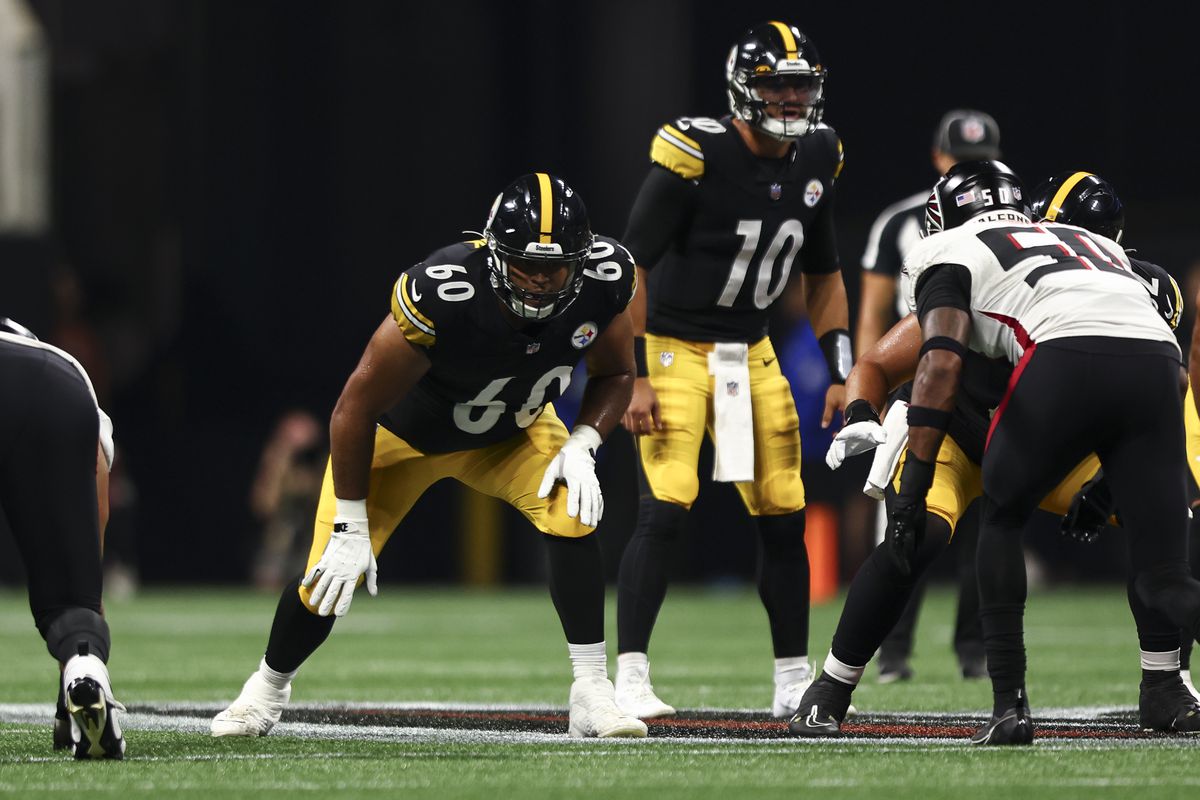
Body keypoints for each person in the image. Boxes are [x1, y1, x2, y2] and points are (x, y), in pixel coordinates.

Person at [211, 173, 647, 740]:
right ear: (493, 255)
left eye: (555, 268)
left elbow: (616, 373)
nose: (540, 284)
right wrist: (349, 523)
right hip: (403, 441)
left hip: (512, 433)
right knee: (326, 578)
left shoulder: (603, 281)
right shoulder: (445, 290)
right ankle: (265, 691)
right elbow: (354, 407)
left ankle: (591, 692)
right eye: (524, 267)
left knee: (573, 511)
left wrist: (585, 441)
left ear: (581, 261)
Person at [792, 171, 1200, 738]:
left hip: (1043, 435)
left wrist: (1111, 482)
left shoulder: (1041, 278)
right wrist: (863, 412)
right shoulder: (984, 274)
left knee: (1166, 522)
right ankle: (831, 688)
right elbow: (880, 365)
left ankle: (1163, 682)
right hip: (955, 434)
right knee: (917, 538)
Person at [615, 20, 851, 720]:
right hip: (674, 349)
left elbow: (826, 275)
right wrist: (632, 374)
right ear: (743, 88)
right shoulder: (695, 153)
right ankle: (630, 677)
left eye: (800, 84)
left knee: (784, 509)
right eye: (776, 84)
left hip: (751, 354)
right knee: (666, 505)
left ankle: (790, 678)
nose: (789, 98)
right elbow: (630, 268)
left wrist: (840, 368)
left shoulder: (819, 155)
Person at [856, 109, 1001, 682]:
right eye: (961, 160)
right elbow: (873, 308)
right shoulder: (904, 220)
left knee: (987, 521)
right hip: (916, 375)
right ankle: (891, 649)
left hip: (983, 385)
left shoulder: (1013, 223)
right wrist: (859, 382)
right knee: (904, 516)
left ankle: (975, 647)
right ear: (940, 159)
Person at [0, 317, 125, 759]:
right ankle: (84, 671)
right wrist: (82, 606)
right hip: (53, 379)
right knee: (71, 606)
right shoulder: (34, 348)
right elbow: (97, 512)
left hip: (53, 382)